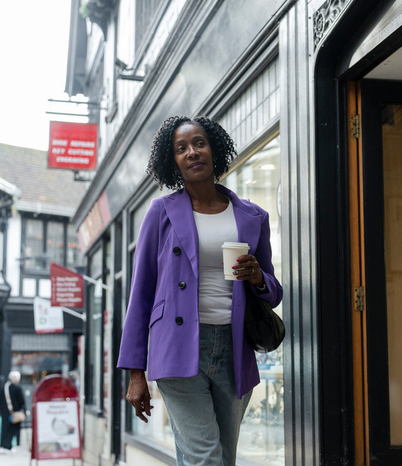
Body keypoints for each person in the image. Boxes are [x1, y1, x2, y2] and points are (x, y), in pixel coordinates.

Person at [117, 115, 282, 465]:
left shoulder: (252, 216)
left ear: (214, 149)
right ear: (172, 160)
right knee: (205, 457)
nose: (192, 152)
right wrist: (135, 372)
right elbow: (141, 293)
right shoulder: (161, 212)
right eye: (182, 148)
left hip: (235, 347)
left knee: (222, 457)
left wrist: (258, 278)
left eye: (200, 143)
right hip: (177, 350)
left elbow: (273, 291)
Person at [0, 371, 26, 453]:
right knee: (13, 429)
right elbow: (22, 401)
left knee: (5, 429)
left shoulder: (4, 387)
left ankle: (4, 445)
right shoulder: (17, 388)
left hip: (5, 413)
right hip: (15, 413)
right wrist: (24, 410)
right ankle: (10, 446)